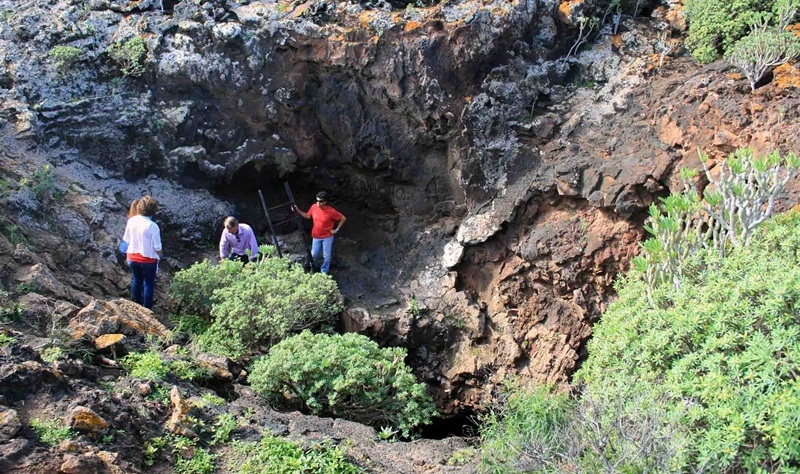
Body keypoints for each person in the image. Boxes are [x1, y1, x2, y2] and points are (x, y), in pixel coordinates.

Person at [121, 196, 162, 309]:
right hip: (148, 260)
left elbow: (126, 240)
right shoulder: (153, 226)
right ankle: (147, 309)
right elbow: (157, 247)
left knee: (137, 279)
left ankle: (136, 304)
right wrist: (159, 256)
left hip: (132, 258)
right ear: (153, 210)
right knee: (148, 283)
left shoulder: (131, 221)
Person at [293, 191, 346, 274]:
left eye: (320, 201)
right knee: (314, 254)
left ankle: (324, 272)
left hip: (327, 236)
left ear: (325, 202)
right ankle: (314, 267)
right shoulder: (314, 207)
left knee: (326, 256)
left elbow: (343, 218)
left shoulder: (331, 211)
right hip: (316, 236)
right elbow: (307, 215)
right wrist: (297, 210)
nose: (318, 203)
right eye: (317, 200)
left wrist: (336, 230)